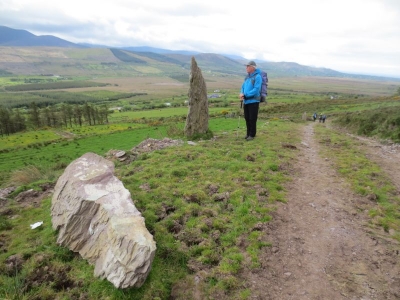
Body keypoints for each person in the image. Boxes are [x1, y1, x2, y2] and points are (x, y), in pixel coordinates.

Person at [239, 61, 262, 141]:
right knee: (247, 118)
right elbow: (242, 87)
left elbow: (256, 89)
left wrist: (246, 95)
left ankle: (252, 135)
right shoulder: (247, 77)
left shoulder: (258, 77)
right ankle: (248, 133)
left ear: (253, 67)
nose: (246, 68)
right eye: (246, 66)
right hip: (246, 101)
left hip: (254, 101)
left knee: (252, 118)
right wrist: (241, 93)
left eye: (248, 66)